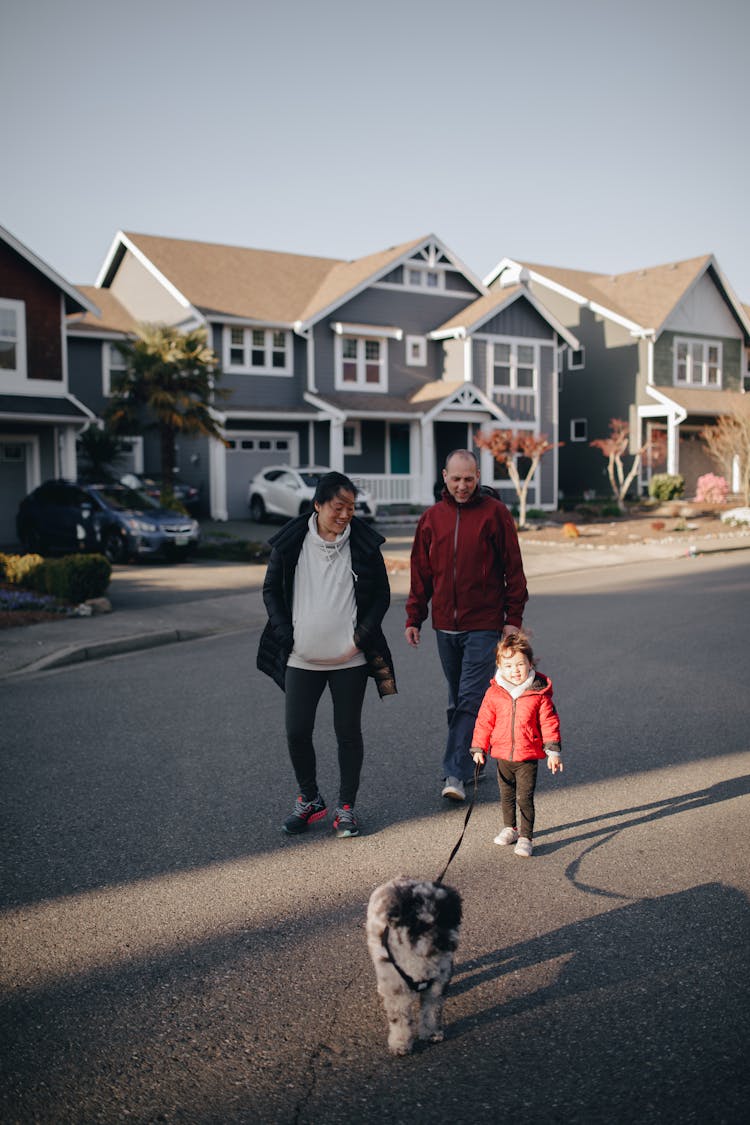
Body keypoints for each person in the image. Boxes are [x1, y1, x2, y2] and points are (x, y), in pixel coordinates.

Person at [257, 471, 396, 839]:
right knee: (297, 731)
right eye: (338, 507)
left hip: (349, 659)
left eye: (351, 507)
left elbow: (381, 596)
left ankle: (346, 807)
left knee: (347, 733)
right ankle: (309, 799)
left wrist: (360, 639)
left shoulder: (363, 543)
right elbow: (271, 590)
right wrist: (288, 635)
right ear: (318, 505)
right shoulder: (292, 543)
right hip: (301, 658)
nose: (346, 514)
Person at [405, 449, 528, 802]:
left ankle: (455, 773)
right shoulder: (431, 519)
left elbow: (513, 569)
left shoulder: (495, 514)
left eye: (469, 479)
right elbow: (421, 573)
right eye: (456, 479)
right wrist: (415, 616)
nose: (462, 486)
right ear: (444, 476)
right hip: (446, 626)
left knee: (470, 698)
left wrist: (512, 620)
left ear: (478, 476)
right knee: (457, 700)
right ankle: (474, 758)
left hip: (484, 624)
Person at [470, 632, 562, 857]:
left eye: (520, 664)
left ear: (530, 663)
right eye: (509, 665)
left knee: (524, 797)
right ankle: (509, 828)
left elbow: (549, 722)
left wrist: (553, 752)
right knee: (506, 795)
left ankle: (526, 837)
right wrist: (479, 748)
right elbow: (484, 721)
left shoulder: (538, 693)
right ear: (500, 666)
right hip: (502, 754)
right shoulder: (494, 693)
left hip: (527, 755)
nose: (515, 670)